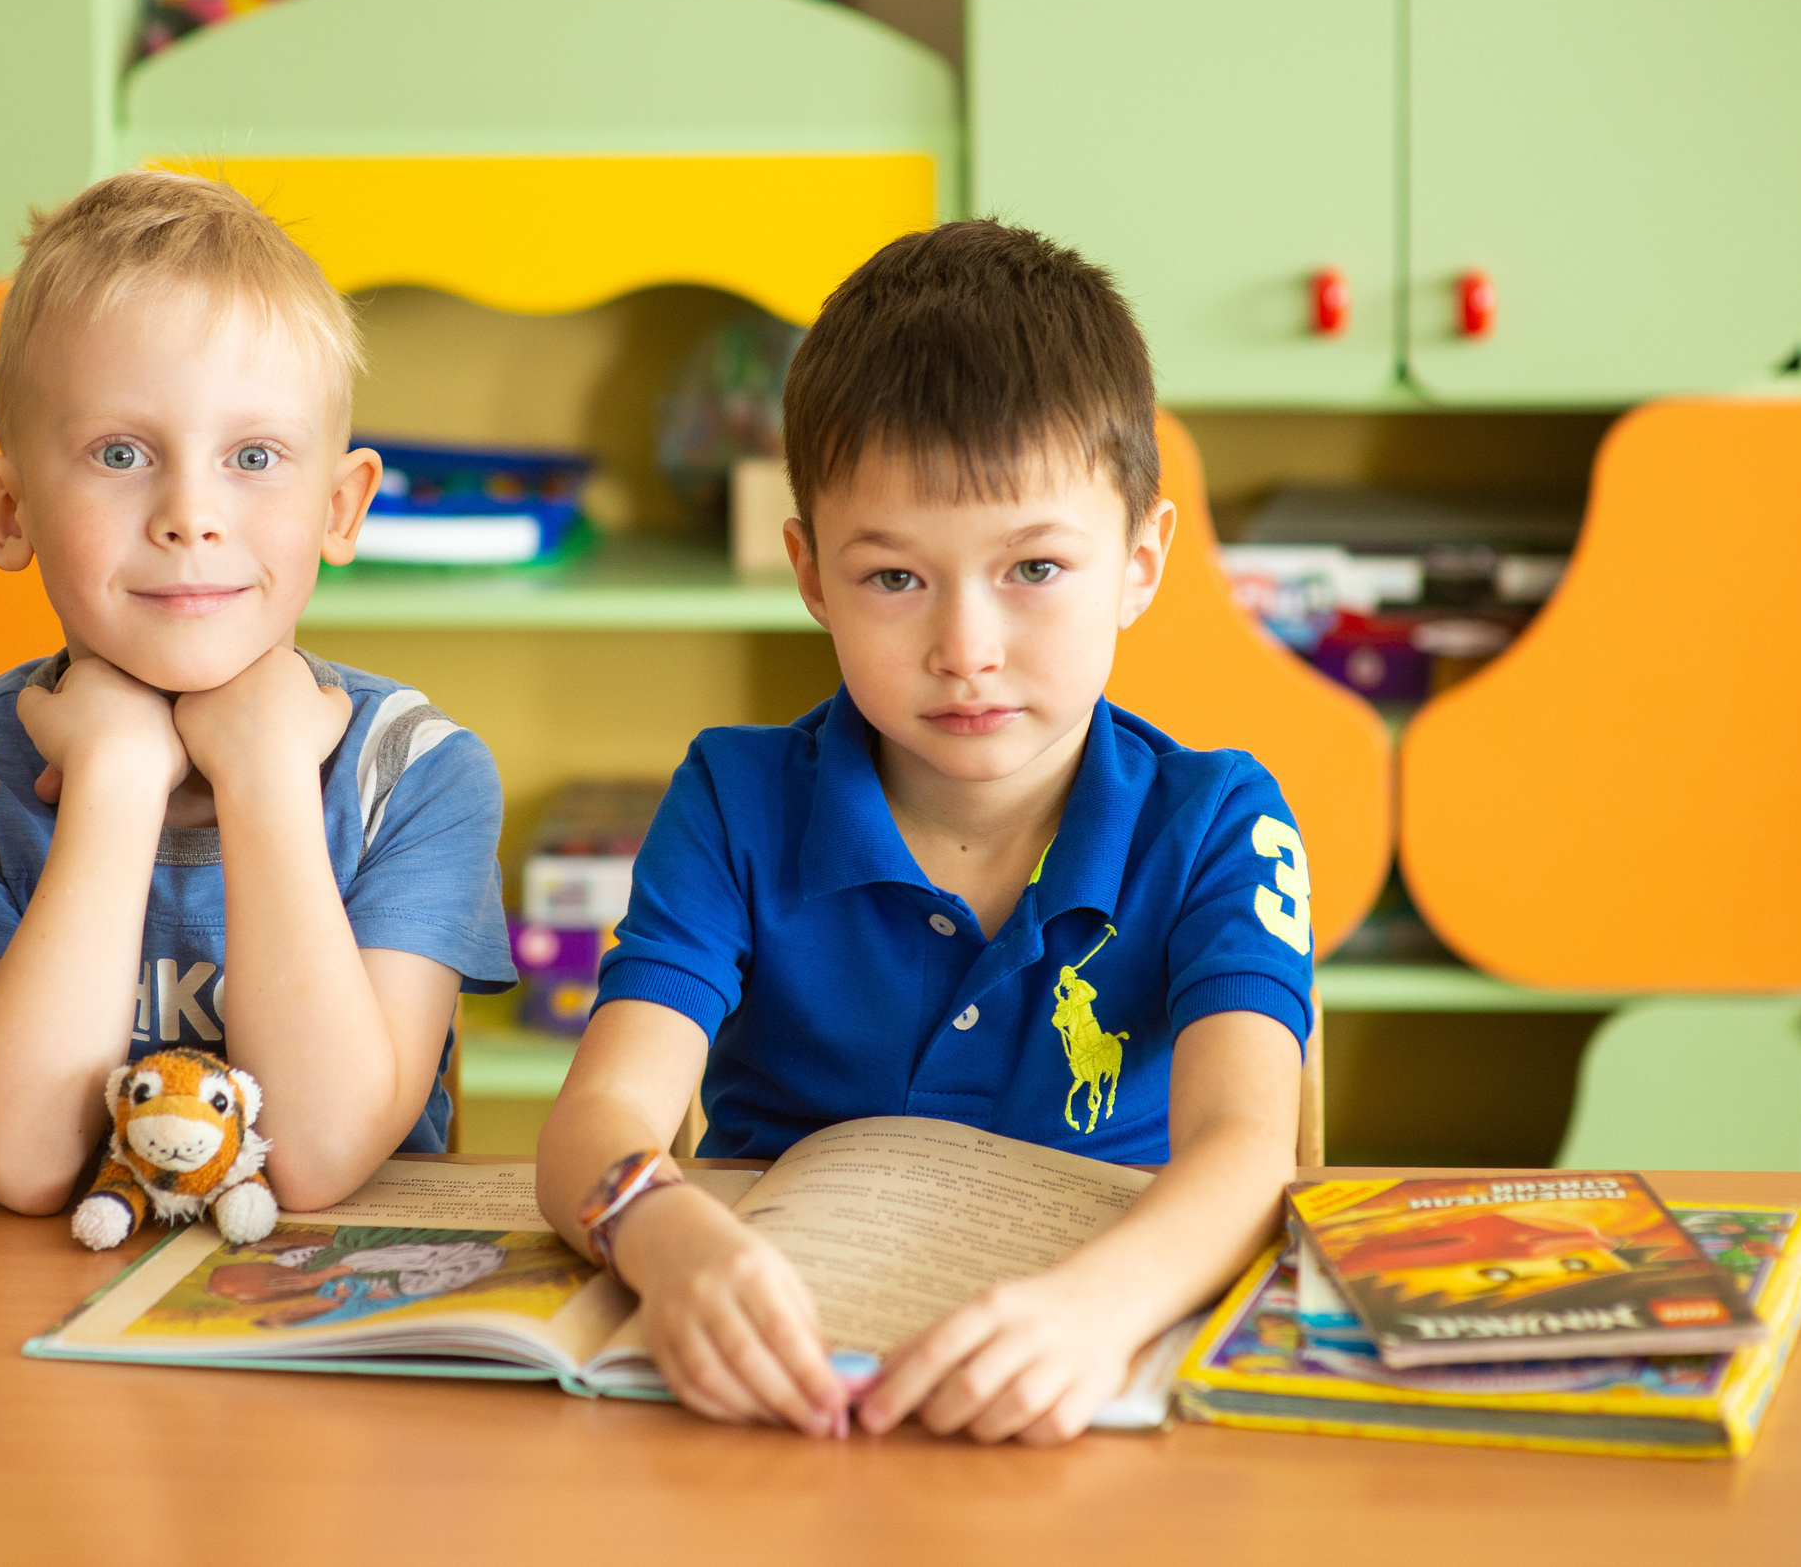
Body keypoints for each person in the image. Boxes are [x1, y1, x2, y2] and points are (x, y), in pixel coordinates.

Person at [536, 220, 1312, 1446]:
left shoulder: (1216, 819)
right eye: (894, 578)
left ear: (1141, 558)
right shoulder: (734, 798)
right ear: (809, 574)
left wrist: (1091, 1312)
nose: (967, 649)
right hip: (780, 1392)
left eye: (1035, 569)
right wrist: (670, 1237)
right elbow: (597, 1117)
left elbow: (1246, 1144)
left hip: (1096, 1379)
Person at [0, 171, 514, 1217]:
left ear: (340, 508)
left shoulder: (419, 773)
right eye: (120, 452)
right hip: (30, 1328)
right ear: (8, 507)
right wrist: (117, 780)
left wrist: (263, 771)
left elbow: (312, 1159)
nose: (191, 513)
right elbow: (28, 1160)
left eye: (254, 456)